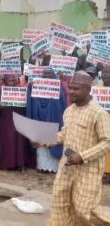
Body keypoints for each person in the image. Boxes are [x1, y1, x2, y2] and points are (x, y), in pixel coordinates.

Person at [45, 70, 110, 226]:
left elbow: (107, 141)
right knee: (60, 205)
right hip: (66, 168)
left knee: (84, 210)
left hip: (88, 170)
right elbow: (65, 133)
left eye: (76, 89)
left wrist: (82, 156)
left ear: (88, 90)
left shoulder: (99, 113)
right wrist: (45, 139)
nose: (71, 92)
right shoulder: (69, 111)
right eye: (70, 88)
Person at [27, 68, 67, 173]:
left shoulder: (58, 86)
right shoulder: (35, 86)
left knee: (53, 140)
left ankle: (53, 168)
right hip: (39, 118)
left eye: (49, 73)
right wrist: (30, 87)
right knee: (41, 143)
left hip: (54, 118)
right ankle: (42, 166)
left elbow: (63, 100)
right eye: (45, 73)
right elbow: (31, 100)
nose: (47, 75)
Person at [0, 74, 33, 170]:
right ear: (6, 81)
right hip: (6, 119)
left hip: (18, 117)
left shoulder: (21, 90)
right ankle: (7, 164)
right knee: (7, 141)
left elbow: (26, 104)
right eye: (10, 81)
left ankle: (20, 164)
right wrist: (2, 105)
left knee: (20, 141)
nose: (12, 83)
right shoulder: (2, 90)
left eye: (13, 81)